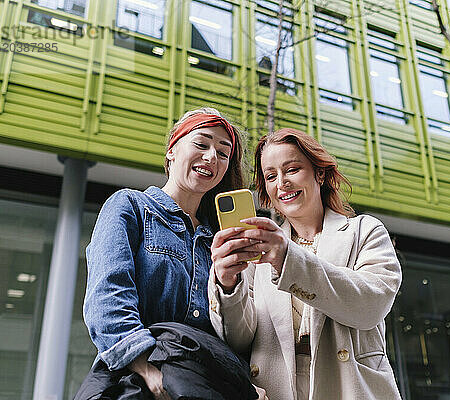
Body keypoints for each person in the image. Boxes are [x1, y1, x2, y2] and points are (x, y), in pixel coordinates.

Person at [208, 128, 403, 400]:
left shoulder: (365, 231)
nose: (282, 183)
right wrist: (227, 285)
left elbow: (372, 305)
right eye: (271, 176)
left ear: (319, 173)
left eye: (293, 169)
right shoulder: (259, 250)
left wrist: (288, 258)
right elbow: (239, 338)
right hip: (276, 389)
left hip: (350, 387)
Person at [82, 107, 258, 400]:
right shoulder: (130, 207)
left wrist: (245, 386)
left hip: (204, 387)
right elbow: (107, 298)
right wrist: (151, 373)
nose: (211, 157)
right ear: (171, 151)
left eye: (223, 153)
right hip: (138, 382)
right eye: (201, 144)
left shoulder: (220, 239)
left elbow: (235, 333)